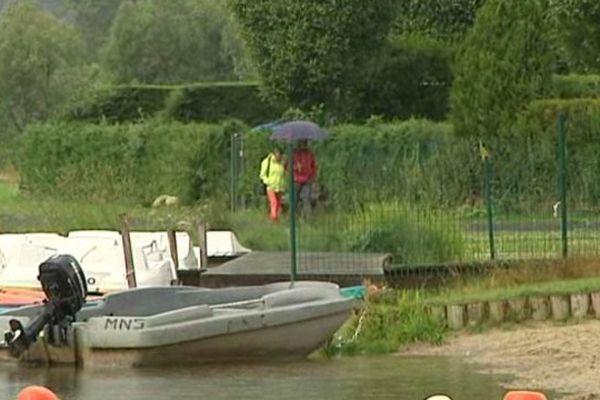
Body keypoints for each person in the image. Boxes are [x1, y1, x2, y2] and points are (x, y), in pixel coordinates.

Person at [259, 146, 286, 221]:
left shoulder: (282, 163)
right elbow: (262, 174)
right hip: (271, 186)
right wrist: (268, 181)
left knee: (279, 204)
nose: (278, 156)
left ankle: (276, 218)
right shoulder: (267, 161)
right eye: (277, 154)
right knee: (274, 202)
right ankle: (274, 218)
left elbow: (284, 173)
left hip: (280, 186)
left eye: (280, 155)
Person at [292, 140, 317, 217]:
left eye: (305, 143)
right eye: (302, 143)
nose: (304, 145)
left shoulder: (310, 154)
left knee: (306, 198)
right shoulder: (295, 154)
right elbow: (288, 166)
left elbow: (314, 166)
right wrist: (296, 167)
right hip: (297, 179)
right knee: (294, 199)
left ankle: (307, 217)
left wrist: (313, 177)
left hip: (307, 180)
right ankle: (294, 216)